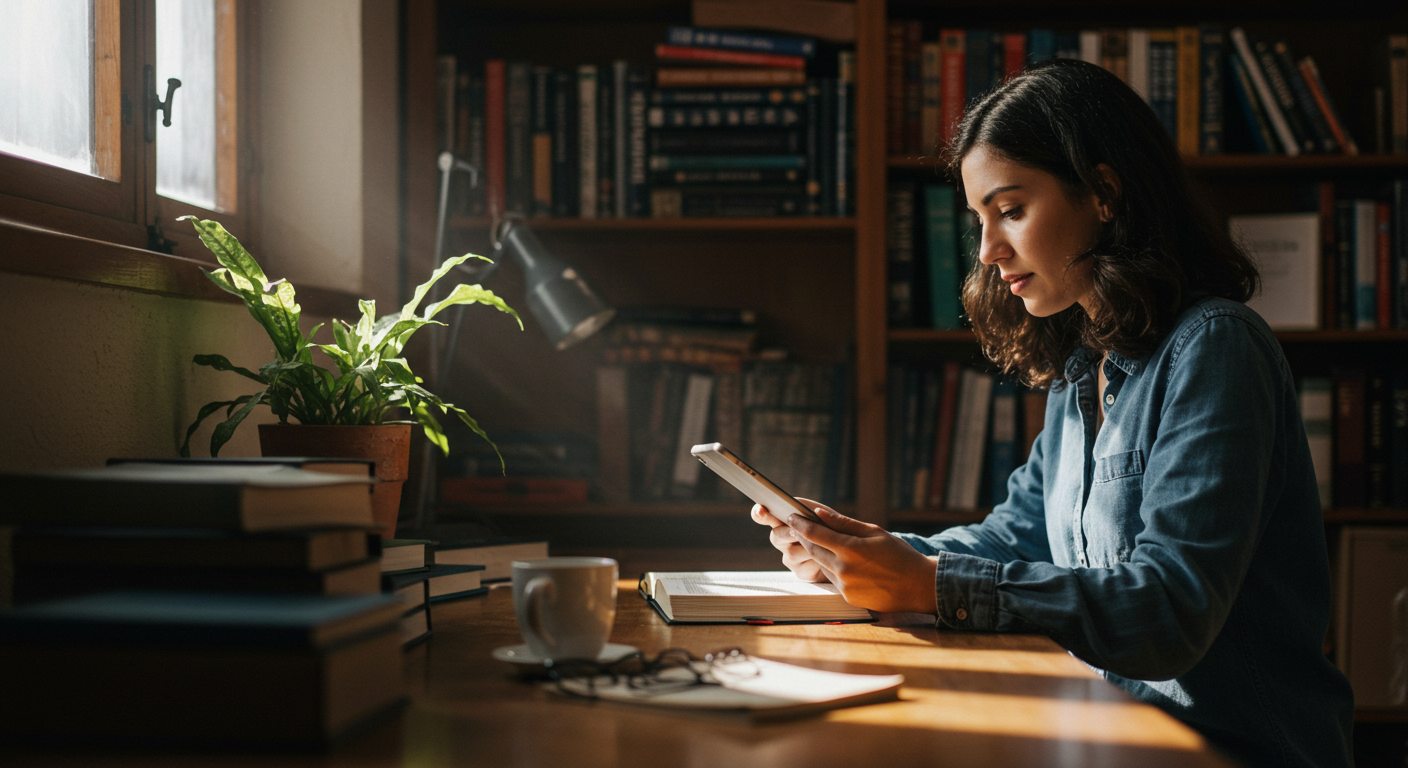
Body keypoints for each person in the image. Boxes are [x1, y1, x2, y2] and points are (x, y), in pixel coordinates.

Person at [751, 59, 1354, 768]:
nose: (987, 251)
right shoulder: (1081, 367)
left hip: (1230, 752)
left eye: (1010, 210)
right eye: (980, 220)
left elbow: (1169, 609)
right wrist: (863, 551)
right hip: (1112, 737)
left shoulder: (1215, 346)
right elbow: (1018, 537)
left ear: (1104, 193)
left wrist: (926, 583)